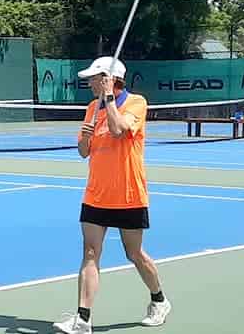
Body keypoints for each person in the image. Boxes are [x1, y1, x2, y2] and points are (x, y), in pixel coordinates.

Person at [54, 56, 169, 334]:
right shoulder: (92, 108)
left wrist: (108, 100)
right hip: (96, 194)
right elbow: (84, 151)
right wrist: (84, 135)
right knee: (90, 253)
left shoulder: (136, 103)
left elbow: (118, 130)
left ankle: (159, 300)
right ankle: (83, 319)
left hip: (128, 194)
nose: (90, 83)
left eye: (95, 78)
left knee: (135, 254)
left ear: (110, 79)